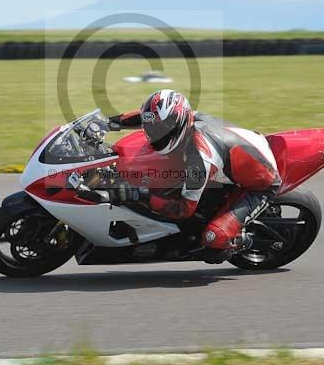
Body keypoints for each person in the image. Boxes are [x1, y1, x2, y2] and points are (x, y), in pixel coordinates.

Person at [107, 89, 282, 263]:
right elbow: (146, 116)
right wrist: (108, 122)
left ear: (179, 124)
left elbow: (183, 210)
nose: (154, 134)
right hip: (238, 154)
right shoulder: (183, 117)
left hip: (260, 184)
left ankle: (241, 241)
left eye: (160, 129)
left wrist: (141, 194)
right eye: (153, 129)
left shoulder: (199, 160)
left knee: (214, 239)